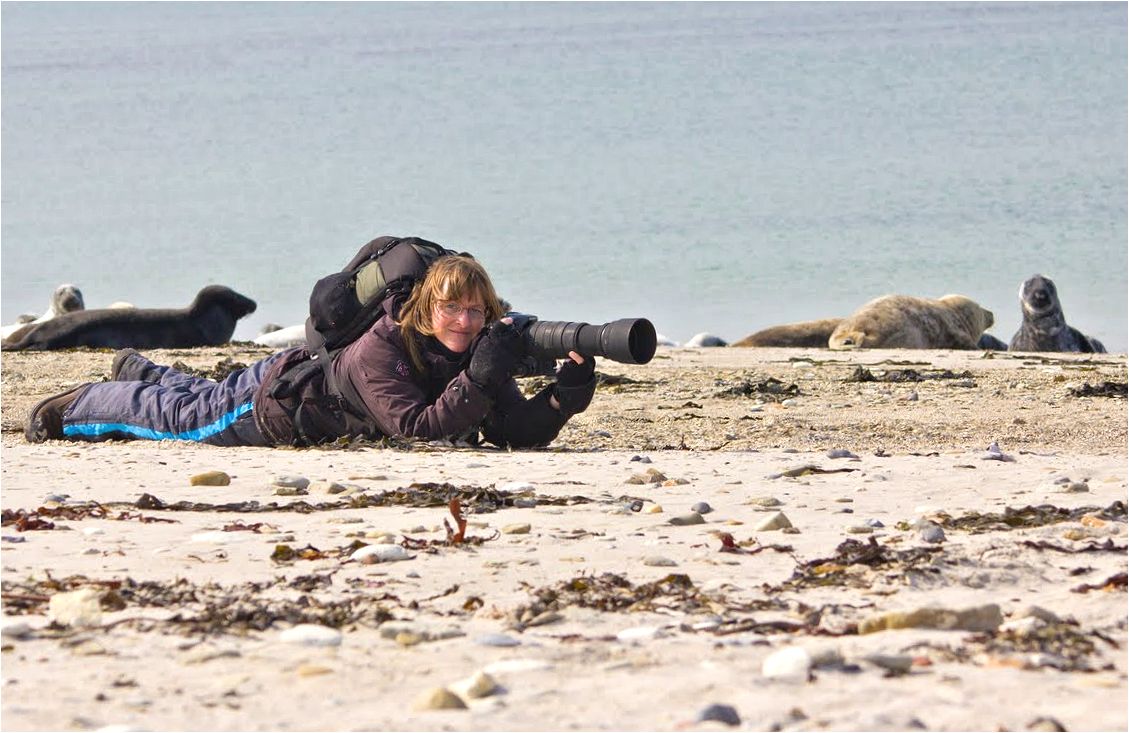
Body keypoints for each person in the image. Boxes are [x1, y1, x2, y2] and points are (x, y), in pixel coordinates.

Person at [24, 255, 597, 448]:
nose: (467, 322)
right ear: (426, 307)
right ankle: (79, 404)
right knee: (181, 421)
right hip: (278, 407)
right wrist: (478, 379)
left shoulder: (469, 351)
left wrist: (559, 402)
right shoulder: (384, 347)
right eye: (453, 309)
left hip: (293, 372)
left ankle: (142, 369)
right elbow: (417, 428)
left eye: (478, 312)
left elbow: (506, 429)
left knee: (203, 392)